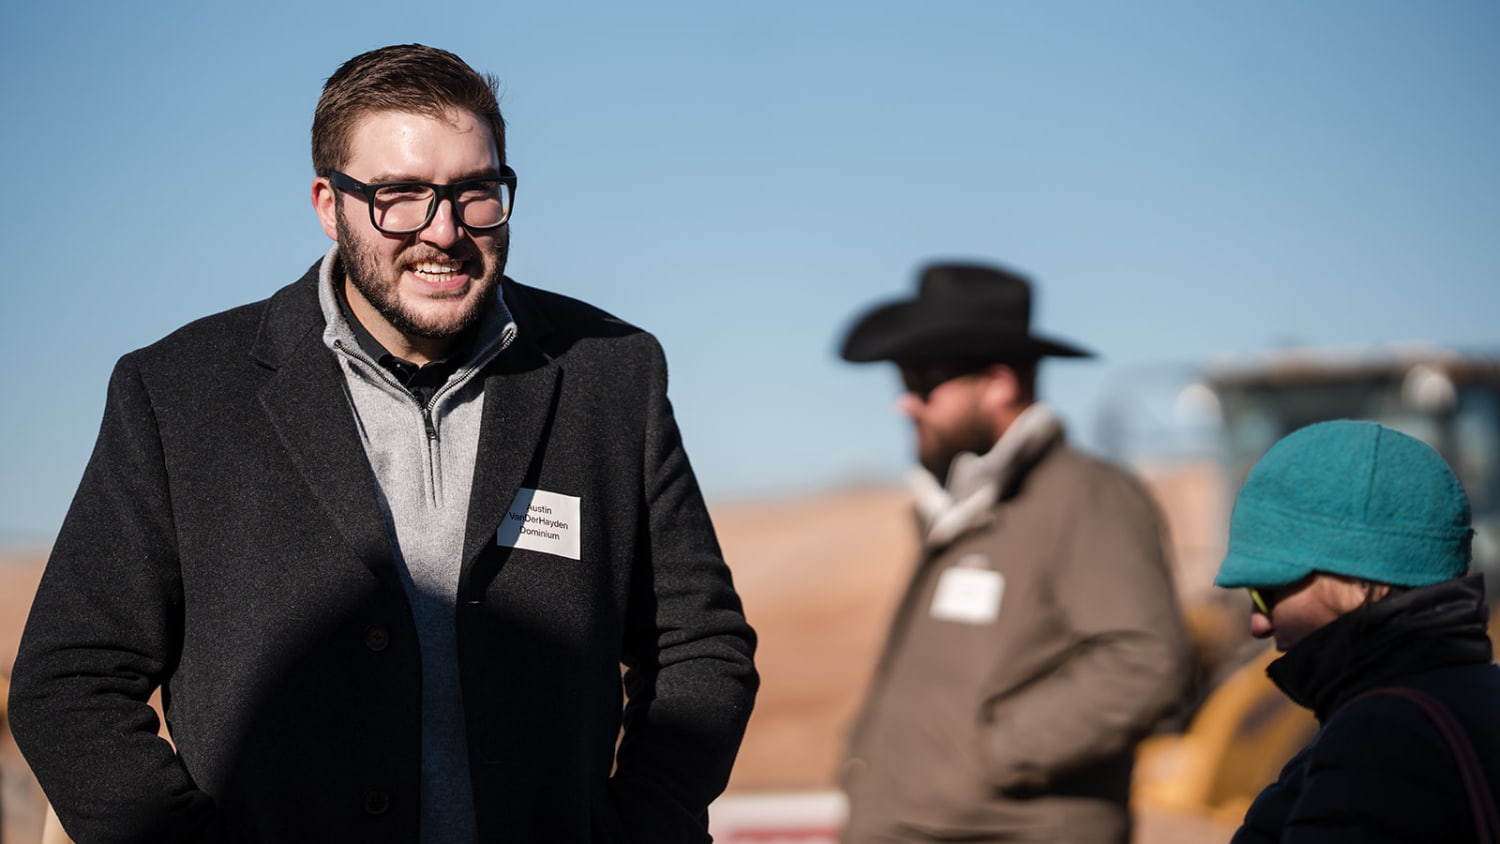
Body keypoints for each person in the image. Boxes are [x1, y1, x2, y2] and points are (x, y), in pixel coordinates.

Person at [7, 44, 758, 843]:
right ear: (328, 204)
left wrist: (644, 826)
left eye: (477, 193)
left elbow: (700, 646)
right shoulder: (178, 393)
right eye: (401, 196)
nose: (445, 231)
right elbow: (69, 685)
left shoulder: (610, 375)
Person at [835, 262, 1190, 843]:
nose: (906, 403)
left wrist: (991, 753)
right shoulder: (965, 504)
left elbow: (1143, 664)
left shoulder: (1089, 496)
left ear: (999, 382)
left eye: (925, 381)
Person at [1213, 420, 1500, 843]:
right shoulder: (1473, 699)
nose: (1258, 622)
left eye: (1267, 591)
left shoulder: (1381, 741)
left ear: (1358, 579)